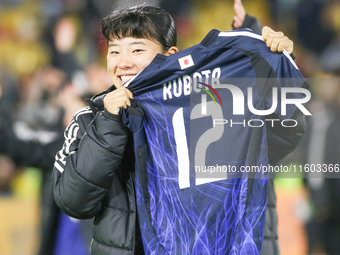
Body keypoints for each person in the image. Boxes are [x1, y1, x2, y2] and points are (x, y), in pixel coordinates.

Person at [52, 4, 304, 255]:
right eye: (114, 51)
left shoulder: (204, 112)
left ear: (170, 55)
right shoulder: (90, 119)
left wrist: (279, 66)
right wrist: (109, 122)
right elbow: (73, 201)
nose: (123, 62)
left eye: (137, 49)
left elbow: (282, 138)